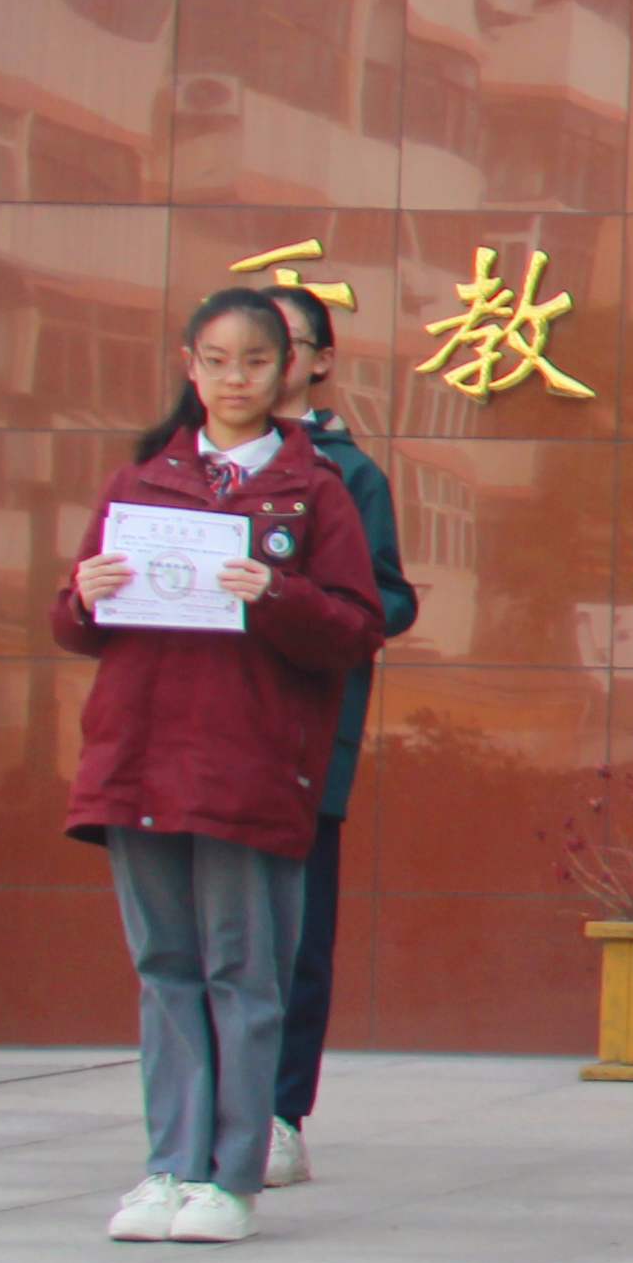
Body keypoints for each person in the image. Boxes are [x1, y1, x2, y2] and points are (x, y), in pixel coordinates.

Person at [58, 287, 383, 1245]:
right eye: (216, 360)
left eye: (255, 361)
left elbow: (356, 627)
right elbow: (76, 623)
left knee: (244, 971)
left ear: (288, 369)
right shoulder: (140, 482)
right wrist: (85, 596)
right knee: (165, 966)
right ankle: (169, 1164)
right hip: (142, 756)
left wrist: (275, 595)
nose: (234, 379)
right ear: (189, 366)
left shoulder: (315, 488)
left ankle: (230, 1175)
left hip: (249, 762)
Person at [255, 279, 413, 1191]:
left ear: (317, 362)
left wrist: (298, 605)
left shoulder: (349, 477)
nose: (261, 359)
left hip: (307, 733)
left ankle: (279, 1114)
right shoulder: (184, 464)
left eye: (282, 341)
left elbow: (389, 598)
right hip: (206, 728)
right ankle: (201, 1110)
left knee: (297, 935)